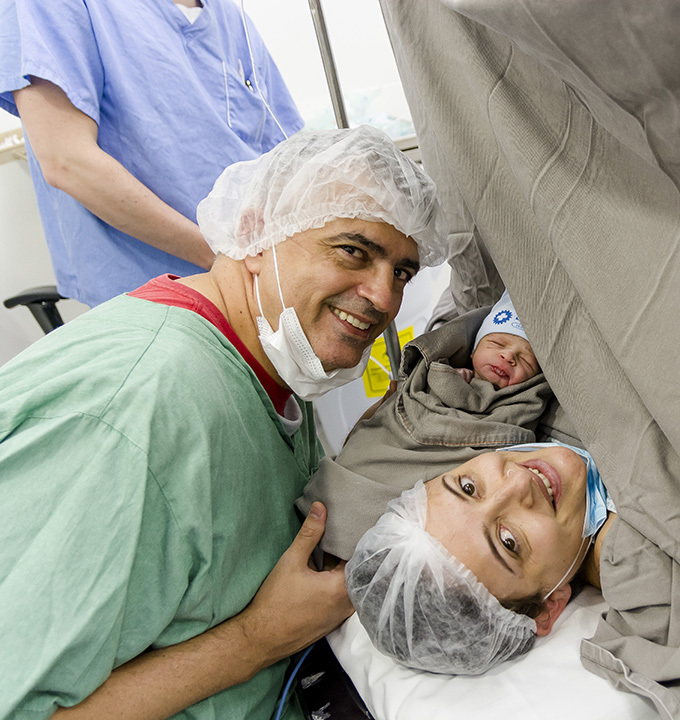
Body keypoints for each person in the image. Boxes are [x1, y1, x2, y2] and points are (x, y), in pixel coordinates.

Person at [0, 127, 444, 719]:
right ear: (256, 234)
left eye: (402, 273)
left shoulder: (268, 360)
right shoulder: (140, 410)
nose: (383, 297)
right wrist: (256, 640)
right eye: (353, 251)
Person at [0, 0, 304, 307]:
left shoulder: (227, 16)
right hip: (169, 291)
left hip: (265, 274)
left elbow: (286, 150)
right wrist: (224, 258)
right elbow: (67, 162)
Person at [345, 441, 616, 675]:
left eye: (468, 487)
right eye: (509, 542)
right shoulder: (634, 549)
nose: (519, 481)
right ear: (548, 608)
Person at [452, 289, 540, 388]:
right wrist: (450, 379)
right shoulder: (458, 378)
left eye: (525, 361)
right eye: (497, 344)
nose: (508, 356)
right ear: (473, 351)